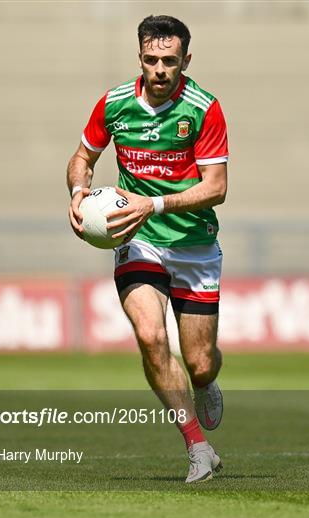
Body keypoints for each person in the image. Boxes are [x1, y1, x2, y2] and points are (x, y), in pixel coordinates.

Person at [67, 15, 228, 483]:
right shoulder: (114, 103)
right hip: (137, 239)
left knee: (198, 361)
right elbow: (82, 159)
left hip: (193, 244)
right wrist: (78, 192)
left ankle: (208, 380)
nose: (160, 69)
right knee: (151, 337)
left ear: (186, 61)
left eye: (170, 61)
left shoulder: (204, 108)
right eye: (152, 60)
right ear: (140, 57)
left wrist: (153, 203)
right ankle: (198, 448)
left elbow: (216, 188)